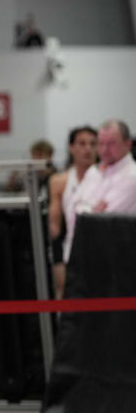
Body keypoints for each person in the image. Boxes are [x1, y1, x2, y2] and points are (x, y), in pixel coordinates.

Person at [69, 119, 136, 254]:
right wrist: (92, 208)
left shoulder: (132, 176)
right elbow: (72, 209)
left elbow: (101, 220)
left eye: (112, 143)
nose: (104, 150)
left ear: (128, 144)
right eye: (101, 143)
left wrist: (86, 207)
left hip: (121, 257)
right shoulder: (94, 171)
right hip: (88, 253)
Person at [48, 126, 97, 296]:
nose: (88, 149)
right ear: (71, 148)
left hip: (100, 251)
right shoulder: (59, 181)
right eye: (82, 144)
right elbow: (55, 228)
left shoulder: (106, 178)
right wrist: (58, 260)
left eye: (92, 144)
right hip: (70, 252)